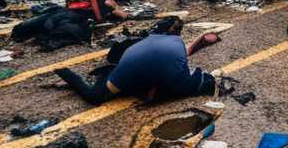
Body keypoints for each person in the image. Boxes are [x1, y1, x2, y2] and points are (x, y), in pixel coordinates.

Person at [53, 30, 217, 106]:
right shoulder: (179, 78)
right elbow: (182, 84)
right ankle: (64, 72)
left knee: (136, 80)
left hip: (134, 51)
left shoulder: (177, 41)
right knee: (95, 97)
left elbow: (187, 50)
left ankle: (108, 73)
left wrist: (202, 38)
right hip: (131, 66)